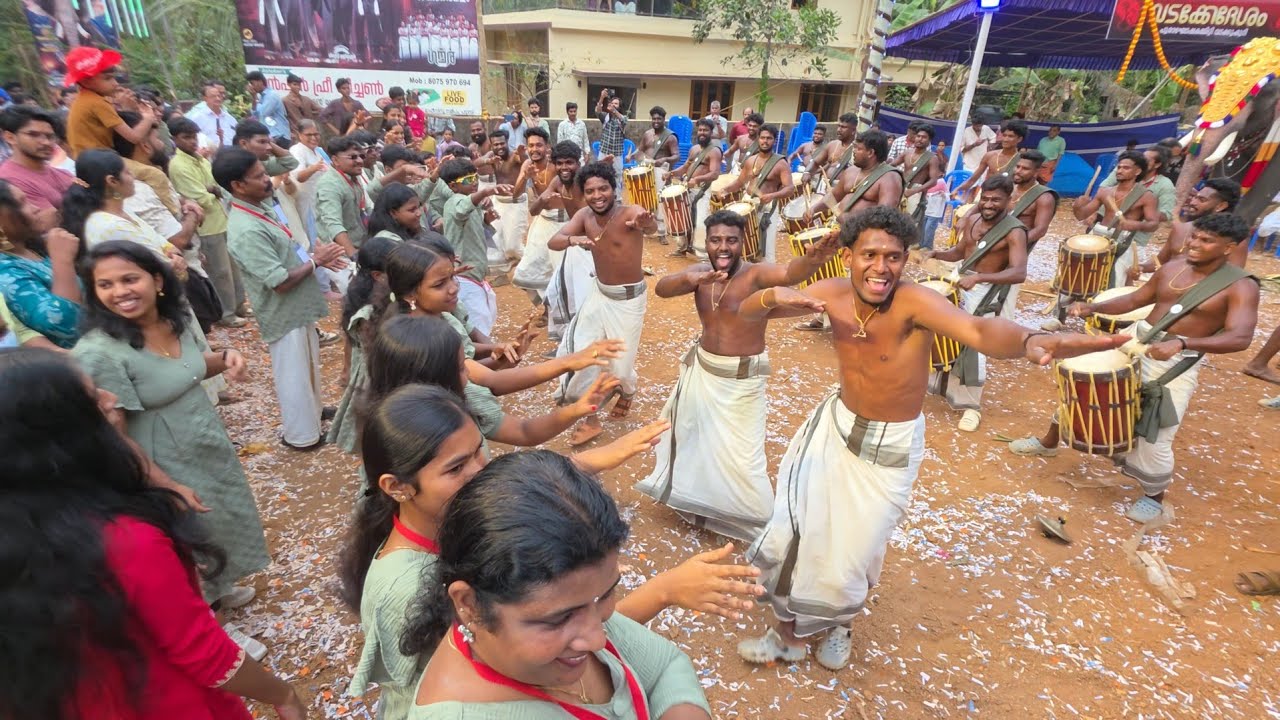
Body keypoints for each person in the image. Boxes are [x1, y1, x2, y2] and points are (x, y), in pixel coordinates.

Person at [732, 206, 1121, 669]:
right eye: (870, 254)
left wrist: (1028, 338)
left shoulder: (914, 304)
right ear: (849, 255)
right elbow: (748, 313)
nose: (881, 267)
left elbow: (977, 329)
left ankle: (840, 621)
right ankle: (786, 635)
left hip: (891, 444)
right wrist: (775, 295)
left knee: (857, 544)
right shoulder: (829, 294)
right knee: (803, 531)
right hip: (834, 430)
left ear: (905, 260)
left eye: (893, 257)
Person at [0, 348, 309, 720]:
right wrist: (284, 693)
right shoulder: (126, 540)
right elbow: (204, 652)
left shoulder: (20, 531)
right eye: (93, 396)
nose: (111, 397)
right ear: (60, 434)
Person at [400, 450, 715, 719]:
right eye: (558, 619)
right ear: (468, 605)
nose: (596, 639)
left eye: (606, 595)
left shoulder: (576, 604)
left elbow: (665, 667)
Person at [1009, 213, 1258, 523]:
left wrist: (1182, 343)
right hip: (1139, 339)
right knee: (1087, 384)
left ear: (1227, 248)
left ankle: (1154, 495)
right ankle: (1049, 442)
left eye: (1206, 241)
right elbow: (1135, 300)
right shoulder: (1173, 267)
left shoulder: (1240, 286)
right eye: (1194, 236)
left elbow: (1240, 337)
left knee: (1159, 429)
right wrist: (1094, 307)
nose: (1193, 243)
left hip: (1177, 359)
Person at [73, 240, 270, 608]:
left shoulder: (173, 321)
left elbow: (186, 370)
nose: (120, 293)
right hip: (157, 456)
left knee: (219, 516)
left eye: (130, 279)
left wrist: (227, 357)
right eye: (105, 285)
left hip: (201, 437)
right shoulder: (99, 352)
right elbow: (115, 437)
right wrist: (168, 486)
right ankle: (207, 619)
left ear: (158, 280)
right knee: (184, 534)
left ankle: (219, 589)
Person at [637, 211, 838, 541]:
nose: (723, 247)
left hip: (742, 381)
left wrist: (813, 259)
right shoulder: (700, 272)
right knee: (694, 439)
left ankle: (762, 524)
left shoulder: (755, 275)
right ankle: (699, 503)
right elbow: (662, 288)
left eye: (731, 240)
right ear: (707, 242)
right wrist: (692, 280)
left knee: (745, 458)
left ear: (743, 242)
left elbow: (789, 272)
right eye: (715, 240)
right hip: (703, 371)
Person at [215, 147, 348, 449]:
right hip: (282, 311)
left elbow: (289, 240)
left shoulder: (262, 208)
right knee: (293, 375)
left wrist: (314, 258)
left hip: (299, 307)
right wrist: (315, 263)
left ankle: (313, 415)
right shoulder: (245, 228)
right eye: (259, 176)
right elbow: (278, 282)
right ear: (237, 186)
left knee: (308, 367)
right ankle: (301, 437)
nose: (267, 179)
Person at [367, 313, 618, 448]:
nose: (471, 375)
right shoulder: (401, 437)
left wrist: (576, 409)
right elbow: (494, 380)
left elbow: (523, 431)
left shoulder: (465, 397)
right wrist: (567, 362)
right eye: (461, 369)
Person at [549, 162, 656, 445]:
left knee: (619, 370)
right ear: (583, 194)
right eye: (590, 191)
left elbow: (649, 224)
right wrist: (575, 238)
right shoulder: (584, 215)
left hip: (628, 302)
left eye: (603, 189)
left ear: (614, 189)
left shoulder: (629, 213)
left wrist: (646, 224)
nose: (597, 195)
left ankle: (628, 388)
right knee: (586, 356)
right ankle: (591, 419)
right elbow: (554, 241)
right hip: (598, 296)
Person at [919, 176, 1029, 432]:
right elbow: (960, 252)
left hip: (985, 291)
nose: (989, 204)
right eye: (986, 198)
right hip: (960, 281)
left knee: (976, 344)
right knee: (945, 333)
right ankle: (939, 385)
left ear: (1009, 201)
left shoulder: (1015, 231)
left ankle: (971, 405)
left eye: (996, 200)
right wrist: (937, 253)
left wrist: (980, 277)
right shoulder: (972, 218)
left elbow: (1019, 272)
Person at [327, 235, 397, 454]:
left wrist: (347, 369)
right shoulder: (369, 310)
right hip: (376, 374)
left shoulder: (377, 294)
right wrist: (348, 370)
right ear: (378, 275)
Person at [0, 180, 82, 347]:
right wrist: (63, 262)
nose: (35, 208)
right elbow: (65, 326)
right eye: (22, 203)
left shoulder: (32, 247)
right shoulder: (5, 271)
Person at [441, 158, 513, 335]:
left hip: (473, 274)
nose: (473, 183)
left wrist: (486, 220)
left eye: (474, 178)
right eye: (467, 180)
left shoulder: (469, 202)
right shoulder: (454, 201)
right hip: (464, 275)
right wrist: (485, 192)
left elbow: (472, 225)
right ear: (453, 187)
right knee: (477, 324)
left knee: (481, 320)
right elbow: (461, 210)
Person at [1071, 150, 1160, 288]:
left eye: (1126, 167)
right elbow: (1081, 215)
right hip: (1098, 236)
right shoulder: (1105, 191)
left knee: (1115, 282)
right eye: (1119, 167)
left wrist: (1134, 224)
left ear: (1137, 171)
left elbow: (1153, 224)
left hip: (1122, 242)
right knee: (1080, 276)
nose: (1119, 170)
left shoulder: (1146, 196)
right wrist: (1077, 206)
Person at [531, 141, 592, 341]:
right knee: (558, 295)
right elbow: (533, 211)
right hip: (574, 245)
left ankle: (581, 344)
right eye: (560, 163)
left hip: (592, 248)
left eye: (569, 163)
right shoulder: (557, 181)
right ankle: (568, 344)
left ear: (578, 163)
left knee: (583, 300)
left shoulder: (587, 182)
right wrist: (543, 198)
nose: (564, 168)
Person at [715, 124, 793, 261]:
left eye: (769, 138)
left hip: (768, 208)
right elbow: (740, 182)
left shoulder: (780, 163)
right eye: (762, 138)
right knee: (745, 244)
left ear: (774, 141)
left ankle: (767, 279)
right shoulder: (750, 160)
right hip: (748, 205)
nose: (765, 141)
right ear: (758, 139)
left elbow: (790, 188)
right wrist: (725, 190)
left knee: (766, 248)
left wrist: (772, 195)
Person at [62, 46, 156, 158]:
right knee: (153, 174)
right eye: (107, 79)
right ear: (86, 82)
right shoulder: (97, 102)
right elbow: (134, 137)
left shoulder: (85, 99)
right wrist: (149, 117)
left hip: (90, 160)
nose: (115, 83)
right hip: (100, 162)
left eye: (114, 78)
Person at [1140, 178, 1241, 276]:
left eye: (1201, 200)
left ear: (1220, 206)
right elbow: (1160, 261)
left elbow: (1231, 278)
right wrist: (1140, 268)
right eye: (1195, 197)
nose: (1192, 202)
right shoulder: (1180, 228)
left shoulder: (1233, 237)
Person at [511, 127, 565, 306]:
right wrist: (524, 177)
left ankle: (562, 314)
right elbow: (516, 195)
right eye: (531, 145)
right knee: (525, 273)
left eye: (539, 145)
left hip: (564, 223)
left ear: (547, 147)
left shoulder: (557, 166)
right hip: (542, 222)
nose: (534, 149)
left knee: (561, 273)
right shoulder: (527, 165)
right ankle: (547, 309)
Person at [0, 106, 73, 224]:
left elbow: (89, 190)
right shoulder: (10, 182)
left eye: (50, 136)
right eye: (33, 134)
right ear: (10, 137)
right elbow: (48, 224)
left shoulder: (61, 172)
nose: (46, 142)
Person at [665, 117, 723, 257]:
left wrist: (697, 180)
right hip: (687, 188)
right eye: (700, 130)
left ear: (711, 132)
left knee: (701, 222)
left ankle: (702, 254)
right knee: (683, 218)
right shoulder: (694, 148)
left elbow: (715, 173)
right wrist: (672, 173)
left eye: (706, 130)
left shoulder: (714, 151)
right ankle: (682, 248)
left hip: (701, 190)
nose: (702, 132)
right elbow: (685, 167)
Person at [315, 135, 372, 258]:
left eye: (361, 156)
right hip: (340, 255)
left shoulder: (353, 176)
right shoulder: (329, 184)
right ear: (335, 160)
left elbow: (367, 209)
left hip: (360, 243)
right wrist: (353, 255)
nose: (360, 161)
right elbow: (333, 224)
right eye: (353, 157)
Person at [954, 119, 1027, 199]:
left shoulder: (1022, 161)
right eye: (1004, 135)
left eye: (1010, 136)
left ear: (1019, 139)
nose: (1005, 139)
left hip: (1007, 199)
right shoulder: (990, 156)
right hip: (986, 197)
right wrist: (957, 189)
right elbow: (972, 180)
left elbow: (1023, 186)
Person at [893, 122, 943, 232]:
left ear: (929, 140)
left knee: (908, 223)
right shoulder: (907, 153)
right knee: (894, 219)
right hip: (902, 188)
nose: (920, 139)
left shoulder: (931, 158)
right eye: (918, 136)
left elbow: (933, 181)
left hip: (915, 193)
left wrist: (915, 190)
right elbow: (892, 165)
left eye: (924, 137)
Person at [1007, 150, 1059, 251]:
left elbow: (1040, 230)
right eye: (1018, 167)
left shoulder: (1044, 197)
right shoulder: (1007, 188)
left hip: (1016, 246)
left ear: (1036, 172)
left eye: (1025, 169)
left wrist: (1012, 242)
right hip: (994, 239)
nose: (1018, 171)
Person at [803, 113, 856, 192]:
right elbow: (815, 162)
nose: (839, 130)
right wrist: (807, 172)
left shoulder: (857, 149)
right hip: (823, 186)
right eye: (839, 126)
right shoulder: (832, 144)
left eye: (843, 127)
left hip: (842, 190)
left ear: (853, 130)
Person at [187, 82, 239, 151]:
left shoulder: (230, 119)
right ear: (205, 98)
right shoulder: (196, 118)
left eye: (219, 96)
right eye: (213, 96)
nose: (217, 99)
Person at [247, 71, 290, 146]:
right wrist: (254, 97)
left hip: (279, 137)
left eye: (252, 83)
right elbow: (255, 115)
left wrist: (255, 98)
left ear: (260, 82)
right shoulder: (260, 97)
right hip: (271, 137)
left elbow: (263, 113)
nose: (251, 86)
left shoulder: (271, 95)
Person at [595, 90, 627, 178]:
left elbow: (624, 120)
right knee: (600, 174)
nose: (613, 104)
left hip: (617, 154)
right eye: (612, 103)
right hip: (604, 151)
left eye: (616, 104)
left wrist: (614, 111)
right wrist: (602, 97)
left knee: (617, 176)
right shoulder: (605, 116)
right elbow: (597, 111)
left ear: (619, 107)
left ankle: (616, 192)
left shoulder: (622, 118)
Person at [282, 73, 322, 141]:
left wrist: (311, 113)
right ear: (289, 85)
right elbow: (283, 119)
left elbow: (321, 110)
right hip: (296, 134)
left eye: (299, 85)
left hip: (310, 133)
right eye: (295, 84)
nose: (298, 87)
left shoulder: (306, 100)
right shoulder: (285, 101)